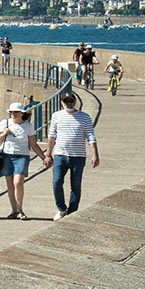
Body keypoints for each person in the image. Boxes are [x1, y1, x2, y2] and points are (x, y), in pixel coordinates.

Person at [46, 90, 99, 219]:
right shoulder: (56, 116)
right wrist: (48, 154)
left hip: (78, 156)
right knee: (56, 182)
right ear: (62, 102)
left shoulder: (85, 117)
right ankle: (61, 208)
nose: (69, 103)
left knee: (75, 186)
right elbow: (51, 136)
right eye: (66, 101)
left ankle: (72, 211)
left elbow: (90, 136)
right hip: (60, 154)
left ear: (75, 102)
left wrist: (95, 155)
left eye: (71, 101)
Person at [0, 103, 42, 219]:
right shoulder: (5, 123)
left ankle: (20, 210)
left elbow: (33, 144)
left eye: (16, 112)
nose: (13, 114)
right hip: (6, 155)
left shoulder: (28, 126)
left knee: (18, 182)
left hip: (22, 155)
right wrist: (4, 133)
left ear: (22, 113)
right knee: (10, 184)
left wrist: (44, 158)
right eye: (11, 112)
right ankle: (14, 211)